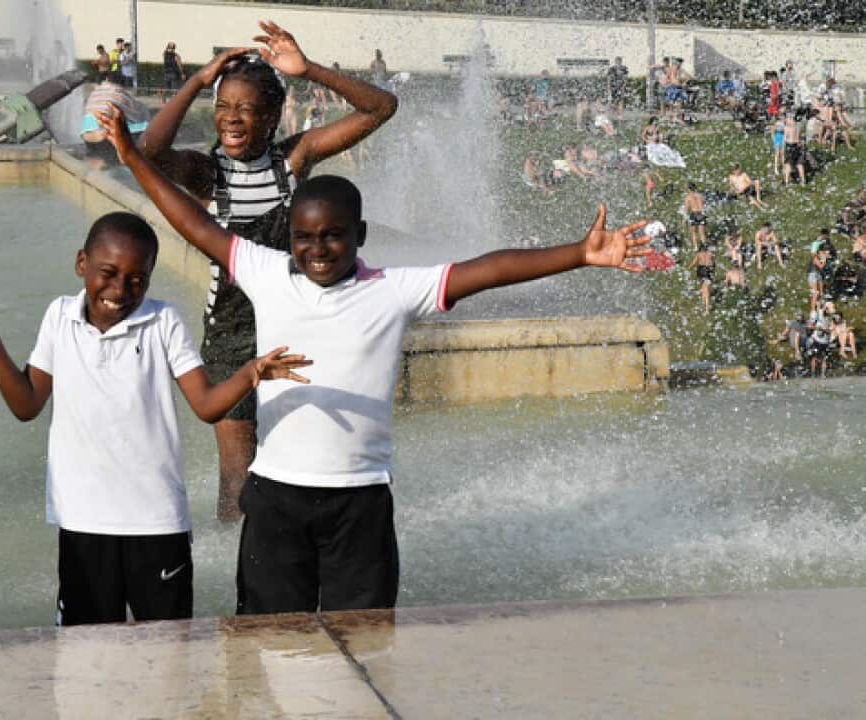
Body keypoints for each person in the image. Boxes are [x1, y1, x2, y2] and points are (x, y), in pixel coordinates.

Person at [98, 105, 651, 614]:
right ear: (289, 239)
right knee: (267, 638)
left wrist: (578, 254)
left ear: (360, 235)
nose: (317, 249)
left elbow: (489, 268)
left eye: (334, 236)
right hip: (275, 500)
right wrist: (131, 159)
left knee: (363, 642)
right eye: (304, 237)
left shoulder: (393, 290)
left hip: (359, 503)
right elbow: (195, 225)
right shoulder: (269, 277)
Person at [0, 212, 310, 626]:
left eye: (137, 279)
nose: (120, 289)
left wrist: (251, 373)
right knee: (85, 656)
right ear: (81, 263)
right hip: (83, 523)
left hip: (157, 525)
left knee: (168, 655)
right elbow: (27, 404)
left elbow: (206, 405)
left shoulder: (163, 322)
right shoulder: (59, 317)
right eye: (108, 273)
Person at [139, 21, 397, 521]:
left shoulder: (293, 159)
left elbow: (381, 108)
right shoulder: (208, 173)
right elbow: (150, 152)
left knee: (302, 454)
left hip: (298, 322)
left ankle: (301, 550)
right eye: (222, 107)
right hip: (233, 334)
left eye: (246, 109)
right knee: (238, 471)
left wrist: (309, 70)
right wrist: (195, 81)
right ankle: (244, 574)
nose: (231, 120)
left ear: (274, 115)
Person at [79, 80, 149, 167]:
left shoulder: (97, 92)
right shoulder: (121, 93)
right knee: (146, 129)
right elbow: (135, 120)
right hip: (104, 134)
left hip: (87, 134)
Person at [687, 244, 714, 311]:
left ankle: (703, 302)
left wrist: (689, 267)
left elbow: (693, 262)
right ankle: (707, 308)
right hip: (708, 270)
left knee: (703, 286)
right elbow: (713, 262)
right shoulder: (710, 254)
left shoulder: (699, 254)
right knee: (707, 288)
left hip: (701, 270)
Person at [684, 183, 706, 251]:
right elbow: (704, 203)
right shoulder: (700, 196)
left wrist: (684, 218)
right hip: (701, 213)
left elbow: (687, 208)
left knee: (693, 232)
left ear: (689, 189)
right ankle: (704, 246)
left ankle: (696, 247)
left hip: (694, 214)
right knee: (701, 232)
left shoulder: (688, 197)